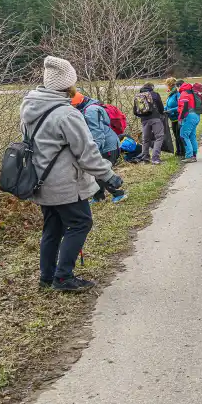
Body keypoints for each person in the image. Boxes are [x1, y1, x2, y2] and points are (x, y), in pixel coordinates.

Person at [20, 56, 123, 293]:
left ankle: (47, 276)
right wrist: (109, 176)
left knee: (52, 228)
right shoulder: (67, 114)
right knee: (80, 223)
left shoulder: (29, 107)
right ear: (69, 83)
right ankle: (63, 277)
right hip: (66, 185)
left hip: (40, 182)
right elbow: (87, 154)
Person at [71, 91, 127, 204]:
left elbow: (98, 133)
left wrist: (93, 150)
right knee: (95, 172)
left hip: (107, 146)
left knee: (100, 171)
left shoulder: (90, 111)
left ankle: (119, 193)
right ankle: (98, 197)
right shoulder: (89, 107)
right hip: (108, 143)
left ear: (77, 103)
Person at [133, 82, 167, 164]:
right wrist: (161, 113)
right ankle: (155, 158)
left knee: (145, 140)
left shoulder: (138, 96)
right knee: (159, 137)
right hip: (155, 118)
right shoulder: (155, 94)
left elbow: (135, 111)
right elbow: (161, 108)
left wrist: (143, 115)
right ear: (152, 87)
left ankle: (145, 158)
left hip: (144, 120)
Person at [177, 81, 202, 163]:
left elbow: (184, 107)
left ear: (179, 86)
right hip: (196, 115)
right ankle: (194, 155)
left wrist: (180, 118)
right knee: (192, 136)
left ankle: (189, 156)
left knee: (183, 135)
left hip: (189, 116)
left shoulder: (184, 93)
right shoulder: (192, 91)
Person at [164, 77, 186, 160]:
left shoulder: (177, 93)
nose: (166, 86)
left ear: (170, 85)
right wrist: (165, 109)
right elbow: (168, 104)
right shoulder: (171, 94)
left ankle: (183, 152)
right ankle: (178, 151)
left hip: (178, 117)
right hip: (173, 118)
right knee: (176, 135)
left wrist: (170, 110)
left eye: (167, 84)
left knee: (179, 135)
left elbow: (180, 106)